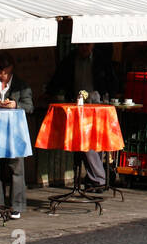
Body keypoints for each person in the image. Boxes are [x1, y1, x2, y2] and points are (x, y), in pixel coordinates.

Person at [45, 44, 117, 190]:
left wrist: (113, 96)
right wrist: (49, 92)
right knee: (84, 141)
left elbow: (110, 79)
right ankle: (99, 177)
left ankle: (95, 178)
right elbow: (60, 77)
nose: (85, 48)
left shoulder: (101, 59)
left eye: (88, 45)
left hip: (97, 106)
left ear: (93, 45)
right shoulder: (71, 59)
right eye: (82, 45)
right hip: (76, 107)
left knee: (96, 141)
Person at [0, 53, 33, 220]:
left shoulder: (21, 86)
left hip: (14, 131)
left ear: (11, 68)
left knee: (15, 167)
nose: (0, 73)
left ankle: (16, 205)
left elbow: (29, 106)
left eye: (3, 70)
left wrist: (16, 104)